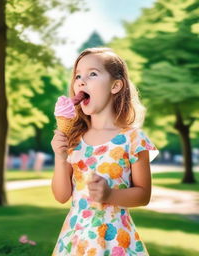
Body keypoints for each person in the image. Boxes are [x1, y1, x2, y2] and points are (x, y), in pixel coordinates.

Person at [51, 47, 159, 256]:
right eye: (78, 76)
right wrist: (60, 157)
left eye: (92, 74)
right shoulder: (73, 140)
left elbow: (143, 195)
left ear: (115, 85)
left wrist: (110, 194)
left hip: (116, 240)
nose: (81, 81)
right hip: (76, 239)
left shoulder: (133, 139)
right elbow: (61, 195)